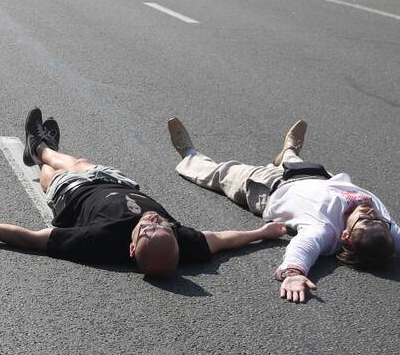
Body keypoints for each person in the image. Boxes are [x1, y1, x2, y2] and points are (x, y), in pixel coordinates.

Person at [0, 109, 285, 277]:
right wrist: (261, 231)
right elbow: (222, 239)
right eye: (162, 226)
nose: (154, 220)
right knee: (78, 163)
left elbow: (32, 238)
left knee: (60, 171)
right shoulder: (183, 243)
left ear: (132, 249)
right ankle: (43, 149)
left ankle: (40, 147)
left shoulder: (99, 240)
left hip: (75, 194)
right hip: (119, 185)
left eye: (147, 228)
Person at [167, 118, 399, 303]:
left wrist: (294, 274)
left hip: (268, 186)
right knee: (292, 159)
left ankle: (189, 155)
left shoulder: (324, 231)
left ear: (346, 235)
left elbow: (303, 248)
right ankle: (288, 151)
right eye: (379, 219)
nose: (370, 212)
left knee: (220, 173)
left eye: (366, 219)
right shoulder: (383, 229)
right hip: (318, 176)